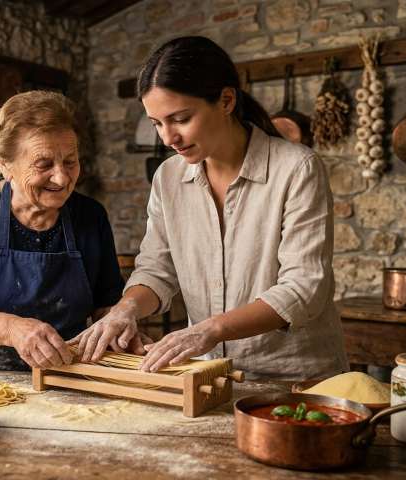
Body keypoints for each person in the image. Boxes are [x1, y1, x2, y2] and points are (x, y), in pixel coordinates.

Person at [72, 36, 349, 380]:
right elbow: (158, 269)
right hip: (208, 376)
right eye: (157, 123)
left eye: (181, 119)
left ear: (226, 100)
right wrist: (124, 310)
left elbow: (304, 288)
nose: (167, 138)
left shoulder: (296, 168)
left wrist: (210, 329)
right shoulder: (168, 177)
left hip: (294, 378)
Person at [0, 90, 129, 371]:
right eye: (44, 164)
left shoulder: (90, 215)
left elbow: (106, 303)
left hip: (60, 376)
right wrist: (13, 329)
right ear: (4, 164)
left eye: (70, 161)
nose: (61, 177)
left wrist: (118, 329)